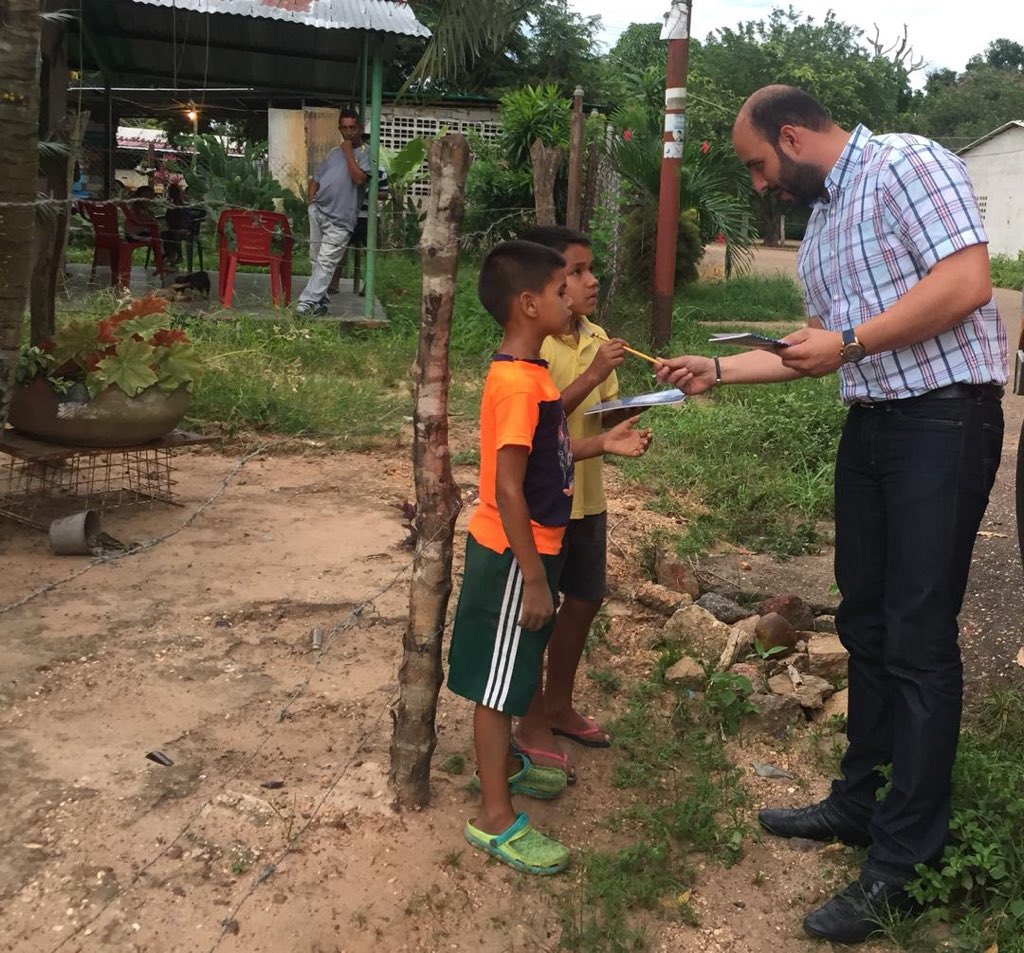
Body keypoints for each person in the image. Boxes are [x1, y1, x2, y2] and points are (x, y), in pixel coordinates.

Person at [656, 85, 1006, 944]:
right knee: (866, 620)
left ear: (795, 135)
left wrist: (848, 343)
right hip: (875, 422)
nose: (762, 182)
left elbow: (966, 284)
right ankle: (859, 803)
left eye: (759, 164)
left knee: (918, 636)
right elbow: (815, 353)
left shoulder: (906, 164)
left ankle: (903, 862)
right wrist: (717, 368)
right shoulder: (821, 228)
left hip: (945, 418)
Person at [447, 240, 651, 875]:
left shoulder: (536, 377)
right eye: (565, 290)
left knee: (512, 668)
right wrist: (534, 577)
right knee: (497, 685)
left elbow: (549, 459)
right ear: (529, 304)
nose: (576, 299)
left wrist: (604, 444)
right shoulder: (512, 384)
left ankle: (504, 766)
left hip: (534, 552)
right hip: (514, 556)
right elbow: (507, 487)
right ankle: (495, 818)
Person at [511, 224, 635, 781]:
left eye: (590, 270)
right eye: (576, 273)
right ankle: (529, 717)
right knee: (536, 613)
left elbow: (600, 416)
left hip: (587, 497)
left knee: (584, 600)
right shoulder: (532, 348)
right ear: (543, 287)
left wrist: (636, 413)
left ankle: (558, 704)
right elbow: (542, 425)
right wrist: (592, 374)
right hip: (546, 506)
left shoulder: (595, 335)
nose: (590, 281)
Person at [297, 108, 370, 317]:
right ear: (339, 128)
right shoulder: (332, 153)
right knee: (315, 259)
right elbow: (316, 179)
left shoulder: (367, 153)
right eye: (344, 128)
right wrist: (311, 203)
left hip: (341, 220)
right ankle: (320, 303)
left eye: (352, 128)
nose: (348, 133)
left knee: (327, 262)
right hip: (319, 211)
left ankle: (305, 303)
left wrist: (348, 152)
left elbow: (358, 179)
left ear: (360, 128)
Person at [328, 123, 389, 298]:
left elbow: (384, 194)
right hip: (347, 214)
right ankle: (334, 283)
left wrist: (369, 191)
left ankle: (367, 285)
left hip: (367, 216)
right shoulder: (346, 166)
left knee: (369, 251)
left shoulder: (379, 169)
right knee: (340, 249)